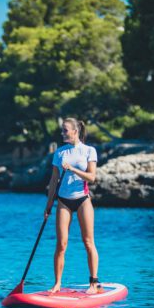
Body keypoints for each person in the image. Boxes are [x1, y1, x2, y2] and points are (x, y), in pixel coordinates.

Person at [44, 118, 100, 294]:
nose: (62, 133)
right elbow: (54, 180)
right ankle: (57, 283)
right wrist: (49, 203)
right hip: (63, 200)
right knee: (61, 244)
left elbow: (92, 177)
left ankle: (93, 283)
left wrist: (72, 169)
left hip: (83, 199)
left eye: (65, 130)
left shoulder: (89, 151)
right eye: (62, 130)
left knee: (88, 242)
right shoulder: (59, 153)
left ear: (75, 131)